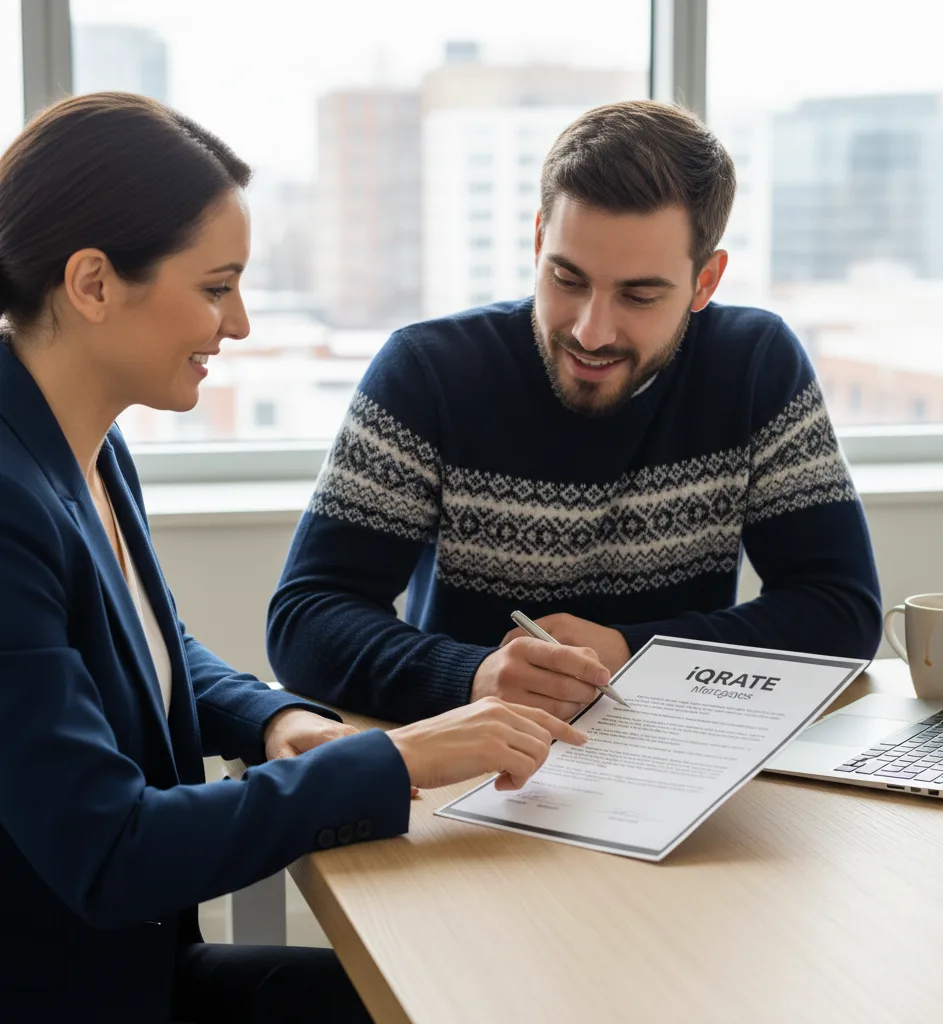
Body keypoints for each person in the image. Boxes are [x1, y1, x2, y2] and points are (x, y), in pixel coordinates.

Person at [0, 92, 586, 1023]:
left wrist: (277, 720)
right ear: (94, 284)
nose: (236, 325)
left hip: (131, 972)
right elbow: (109, 850)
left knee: (485, 987)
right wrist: (394, 760)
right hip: (73, 996)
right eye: (215, 286)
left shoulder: (87, 446)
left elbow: (152, 653)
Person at [268, 99, 883, 724]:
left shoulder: (756, 366)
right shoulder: (428, 373)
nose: (592, 331)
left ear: (706, 282)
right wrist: (474, 676)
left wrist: (632, 650)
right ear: (539, 239)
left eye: (639, 295)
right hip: (466, 759)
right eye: (568, 279)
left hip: (674, 758)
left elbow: (843, 612)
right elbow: (307, 618)